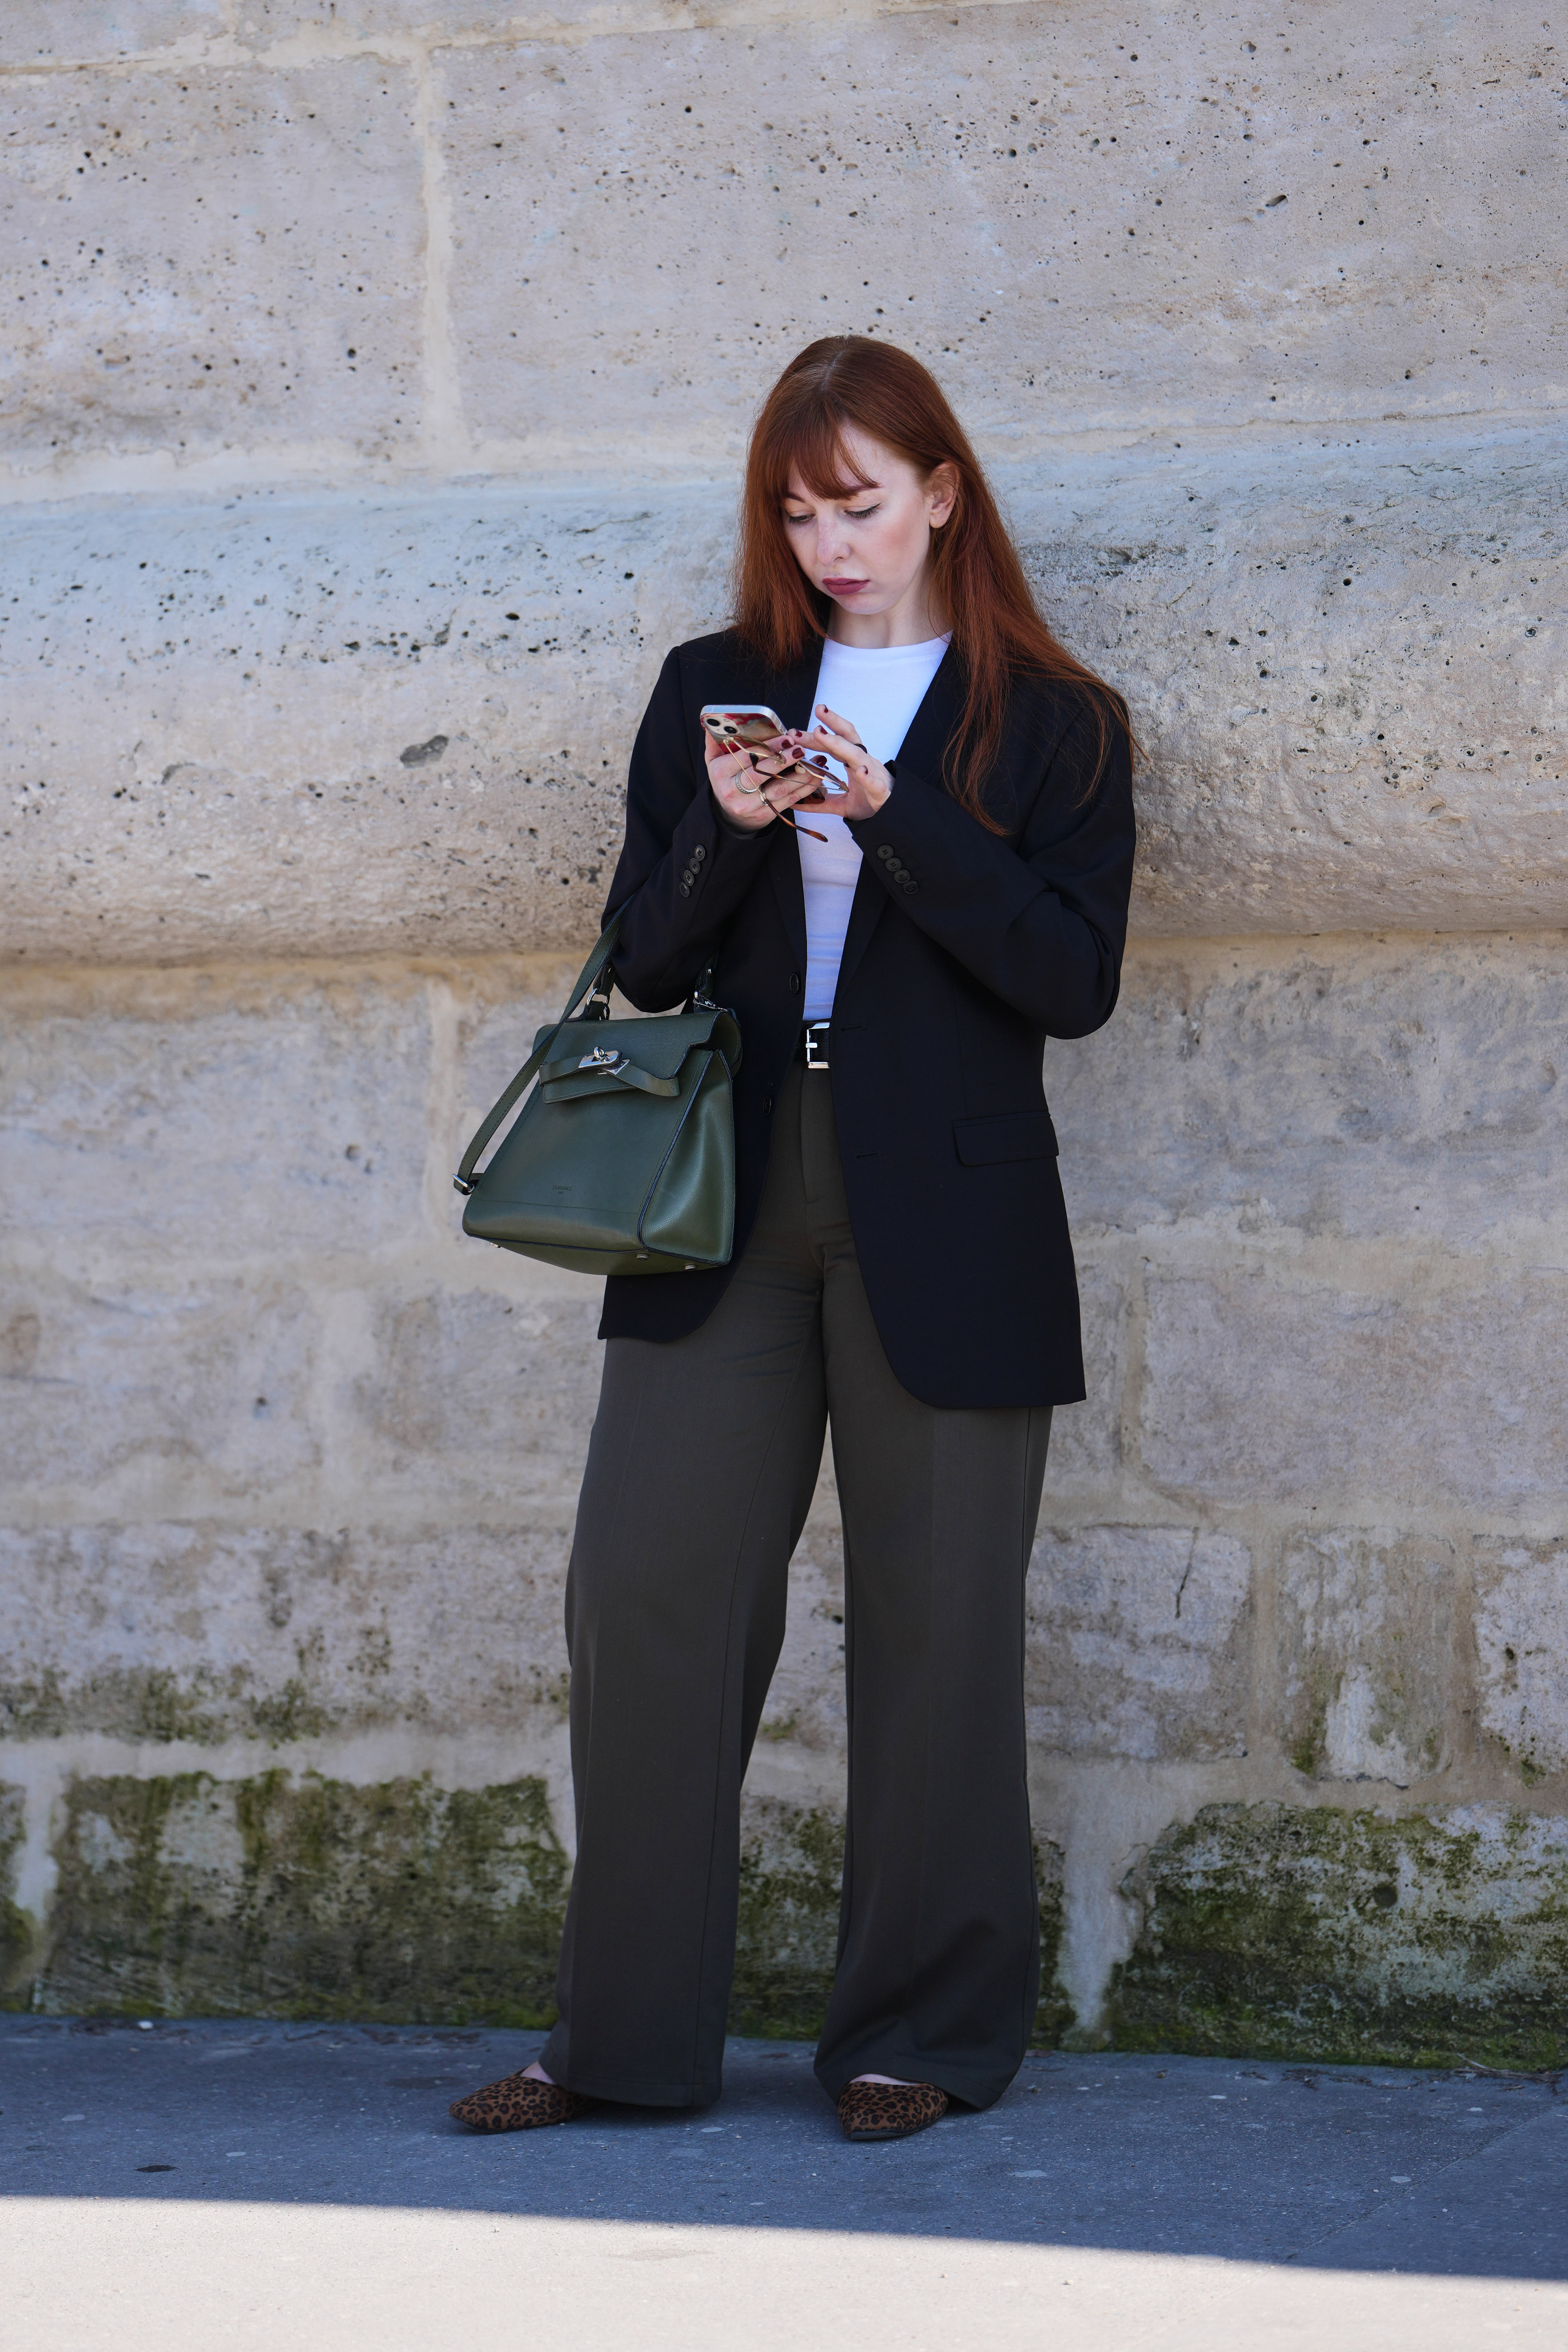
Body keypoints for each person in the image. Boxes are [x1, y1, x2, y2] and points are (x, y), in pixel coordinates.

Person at [450, 336, 1136, 2144]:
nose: (828, 540)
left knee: (939, 1634)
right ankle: (624, 2042)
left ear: (941, 493)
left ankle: (925, 2033)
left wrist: (897, 820)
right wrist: (739, 834)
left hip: (954, 1207)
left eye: (858, 501)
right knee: (649, 1600)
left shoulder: (1051, 718)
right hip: (722, 1193)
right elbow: (646, 961)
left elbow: (1072, 982)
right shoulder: (712, 687)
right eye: (797, 507)